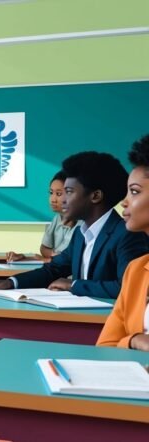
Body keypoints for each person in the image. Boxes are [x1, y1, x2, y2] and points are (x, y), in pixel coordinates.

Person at [0, 151, 149, 299]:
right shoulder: (80, 234)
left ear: (95, 196)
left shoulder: (127, 234)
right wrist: (11, 282)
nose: (62, 200)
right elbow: (53, 269)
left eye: (69, 192)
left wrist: (74, 285)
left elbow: (128, 287)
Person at [98, 135, 149, 351]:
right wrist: (133, 340)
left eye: (135, 192)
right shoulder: (136, 270)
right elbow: (105, 346)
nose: (124, 201)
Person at [6, 170, 77, 262]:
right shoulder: (57, 218)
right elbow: (44, 249)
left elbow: (68, 259)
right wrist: (25, 258)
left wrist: (47, 258)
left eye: (59, 194)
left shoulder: (82, 224)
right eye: (51, 193)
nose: (53, 199)